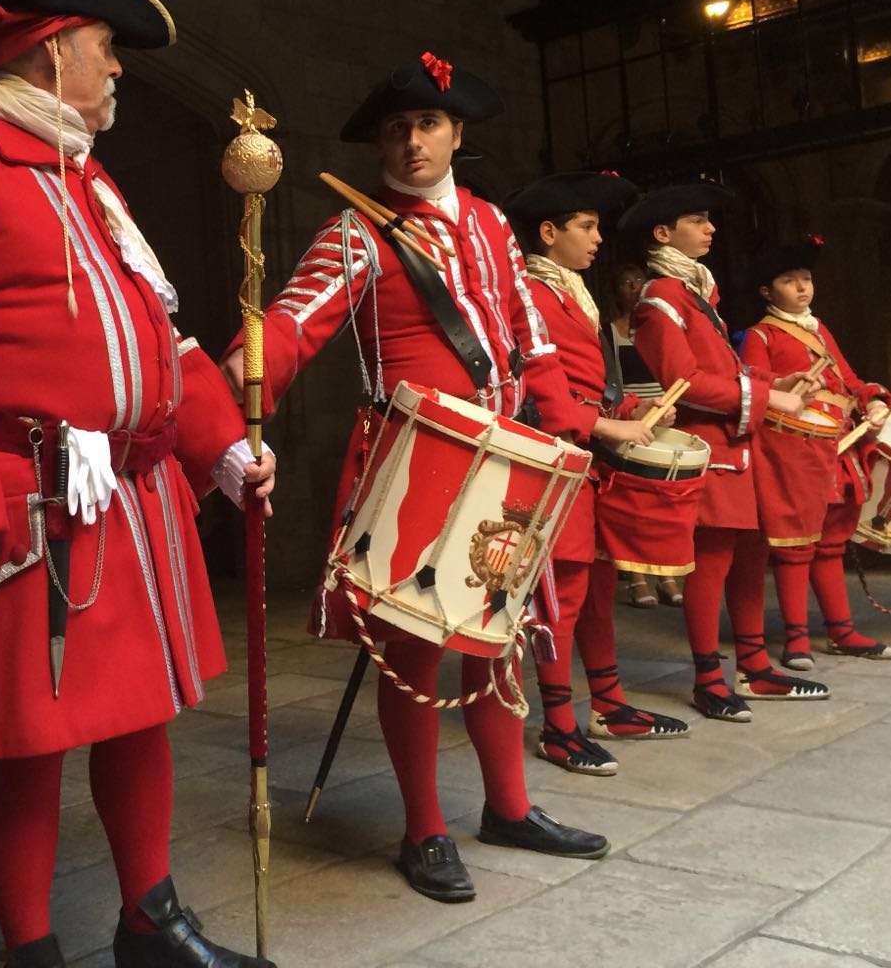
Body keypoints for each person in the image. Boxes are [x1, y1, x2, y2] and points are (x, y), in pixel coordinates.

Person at [0, 0, 276, 968]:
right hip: (22, 509)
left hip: (131, 504)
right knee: (28, 747)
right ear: (48, 55)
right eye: (102, 47)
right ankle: (31, 948)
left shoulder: (89, 180)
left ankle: (151, 921)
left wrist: (222, 447)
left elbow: (161, 340)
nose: (117, 68)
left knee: (139, 719)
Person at [222, 51, 607, 905]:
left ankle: (509, 807)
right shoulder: (355, 231)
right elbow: (293, 326)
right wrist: (243, 373)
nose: (410, 142)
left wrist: (571, 421)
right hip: (415, 465)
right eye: (395, 130)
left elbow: (527, 338)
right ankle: (425, 829)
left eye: (426, 124)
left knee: (498, 641)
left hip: (508, 461)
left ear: (455, 133)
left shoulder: (494, 225)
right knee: (415, 651)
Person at [504, 173, 691, 777]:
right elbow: (538, 380)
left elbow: (590, 381)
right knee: (562, 593)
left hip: (588, 453)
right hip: (554, 454)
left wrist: (632, 409)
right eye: (586, 227)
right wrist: (605, 426)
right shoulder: (531, 291)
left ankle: (608, 705)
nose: (598, 238)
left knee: (597, 589)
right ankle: (559, 729)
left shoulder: (573, 293)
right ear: (549, 233)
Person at [623, 184, 830, 721]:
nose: (711, 228)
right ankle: (709, 679)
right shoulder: (660, 298)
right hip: (709, 447)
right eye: (698, 220)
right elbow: (684, 382)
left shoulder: (696, 293)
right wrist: (770, 395)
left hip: (737, 444)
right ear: (663, 234)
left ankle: (755, 666)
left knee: (750, 557)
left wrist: (771, 378)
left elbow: (722, 369)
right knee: (710, 566)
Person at [740, 239, 891, 666]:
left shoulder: (820, 330)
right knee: (795, 546)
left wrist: (874, 399)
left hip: (834, 447)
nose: (802, 288)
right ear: (767, 293)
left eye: (806, 279)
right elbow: (756, 386)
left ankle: (842, 631)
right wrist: (784, 385)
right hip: (790, 452)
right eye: (789, 281)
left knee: (830, 544)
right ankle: (796, 640)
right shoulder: (760, 335)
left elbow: (847, 379)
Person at [607, 261, 680, 607]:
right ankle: (637, 577)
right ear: (617, 291)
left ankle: (665, 573)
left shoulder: (658, 322)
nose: (634, 287)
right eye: (627, 282)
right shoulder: (610, 330)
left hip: (663, 409)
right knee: (635, 501)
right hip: (630, 416)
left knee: (663, 498)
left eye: (639, 280)